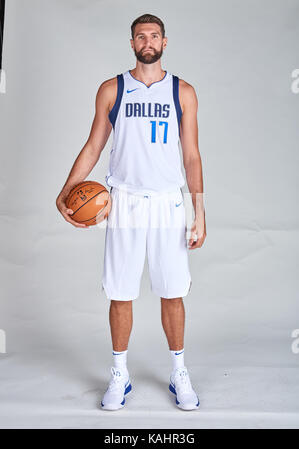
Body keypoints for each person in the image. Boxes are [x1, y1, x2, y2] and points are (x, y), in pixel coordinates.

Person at [56, 13, 206, 412]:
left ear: (165, 42)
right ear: (132, 42)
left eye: (154, 35)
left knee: (172, 292)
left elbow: (191, 155)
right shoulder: (112, 89)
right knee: (121, 292)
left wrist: (199, 210)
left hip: (168, 202)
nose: (147, 41)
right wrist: (67, 188)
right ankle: (119, 373)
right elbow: (93, 146)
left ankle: (179, 372)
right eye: (140, 36)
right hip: (123, 200)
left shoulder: (183, 91)